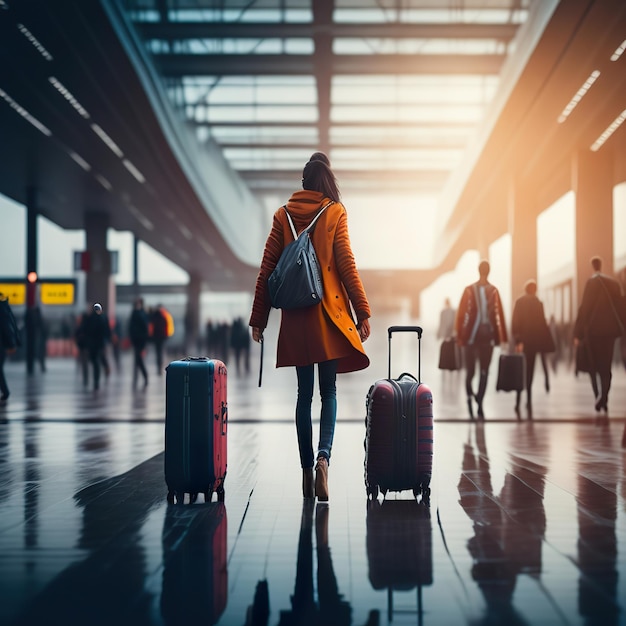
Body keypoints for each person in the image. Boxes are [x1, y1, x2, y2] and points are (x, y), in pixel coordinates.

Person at [249, 152, 371, 501]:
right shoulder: (334, 212)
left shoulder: (282, 215)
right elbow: (346, 264)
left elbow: (267, 269)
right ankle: (323, 459)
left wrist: (259, 319)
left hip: (295, 321)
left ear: (304, 183)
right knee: (328, 393)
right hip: (328, 319)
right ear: (326, 181)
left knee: (303, 396)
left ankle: (305, 472)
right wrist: (362, 311)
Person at [455, 259, 508, 419]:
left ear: (478, 271)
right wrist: (503, 337)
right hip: (488, 338)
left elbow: (461, 313)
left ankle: (471, 398)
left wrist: (459, 335)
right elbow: (500, 315)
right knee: (484, 371)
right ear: (488, 271)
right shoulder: (494, 291)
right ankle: (480, 404)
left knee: (470, 372)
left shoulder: (469, 290)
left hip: (470, 337)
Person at [573, 256, 624, 414]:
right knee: (606, 366)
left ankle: (598, 396)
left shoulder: (591, 282)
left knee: (593, 366)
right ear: (602, 265)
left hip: (593, 332)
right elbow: (621, 307)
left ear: (592, 266)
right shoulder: (614, 284)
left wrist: (577, 333)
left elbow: (584, 308)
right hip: (610, 332)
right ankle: (604, 398)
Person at [511, 279, 555, 416]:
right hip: (534, 343)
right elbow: (542, 324)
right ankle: (528, 400)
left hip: (523, 342)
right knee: (530, 372)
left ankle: (517, 401)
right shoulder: (538, 303)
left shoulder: (519, 302)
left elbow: (515, 322)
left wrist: (517, 340)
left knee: (520, 372)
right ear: (535, 290)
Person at [83, 303, 111, 391]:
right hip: (99, 343)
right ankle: (96, 381)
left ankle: (96, 381)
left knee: (95, 361)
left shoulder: (90, 318)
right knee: (97, 361)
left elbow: (85, 331)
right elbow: (107, 331)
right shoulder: (102, 318)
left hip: (93, 344)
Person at [0, 292, 21, 402]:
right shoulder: (4, 309)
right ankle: (5, 391)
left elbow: (6, 329)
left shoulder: (2, 310)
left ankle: (5, 391)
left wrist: (11, 344)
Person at [128, 297, 149, 388]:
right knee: (137, 359)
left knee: (138, 359)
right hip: (137, 340)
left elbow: (144, 328)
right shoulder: (139, 313)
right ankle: (139, 377)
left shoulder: (140, 314)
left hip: (140, 340)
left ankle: (143, 376)